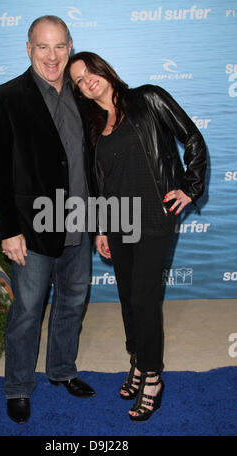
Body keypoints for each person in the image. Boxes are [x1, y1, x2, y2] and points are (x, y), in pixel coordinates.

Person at [67, 52, 207, 421]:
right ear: (78, 91)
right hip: (117, 222)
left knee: (144, 299)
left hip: (155, 217)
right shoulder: (93, 125)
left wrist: (190, 187)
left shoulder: (148, 98)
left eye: (90, 72)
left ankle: (153, 377)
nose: (87, 81)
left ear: (104, 70)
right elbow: (97, 183)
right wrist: (98, 226)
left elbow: (191, 136)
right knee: (128, 298)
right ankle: (137, 362)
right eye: (79, 80)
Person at [0, 17, 96, 425]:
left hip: (80, 222)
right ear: (28, 48)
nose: (52, 56)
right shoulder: (5, 97)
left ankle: (62, 370)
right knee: (27, 311)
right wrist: (7, 230)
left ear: (70, 47)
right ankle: (17, 387)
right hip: (31, 231)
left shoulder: (85, 94)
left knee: (72, 302)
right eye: (43, 47)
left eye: (60, 46)